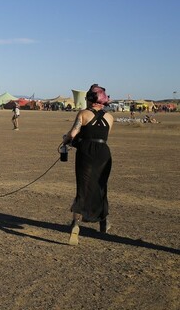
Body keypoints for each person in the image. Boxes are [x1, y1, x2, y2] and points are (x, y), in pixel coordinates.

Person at [62, 84, 114, 245]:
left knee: (83, 187)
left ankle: (75, 225)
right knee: (100, 187)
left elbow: (73, 133)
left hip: (86, 153)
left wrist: (66, 140)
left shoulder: (83, 114)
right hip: (104, 153)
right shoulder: (110, 117)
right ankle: (103, 222)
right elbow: (104, 136)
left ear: (90, 99)